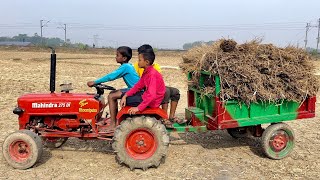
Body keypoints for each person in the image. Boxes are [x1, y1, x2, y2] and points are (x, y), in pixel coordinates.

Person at [120, 46, 173, 128]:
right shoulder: (147, 72)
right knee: (126, 98)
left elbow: (151, 95)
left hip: (153, 101)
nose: (138, 62)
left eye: (140, 60)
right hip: (147, 97)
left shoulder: (152, 74)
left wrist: (138, 108)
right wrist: (126, 95)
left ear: (147, 62)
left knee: (127, 101)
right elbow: (138, 86)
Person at [87, 46, 139, 129]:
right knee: (113, 93)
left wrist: (95, 82)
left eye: (117, 55)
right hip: (135, 90)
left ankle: (113, 124)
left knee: (111, 96)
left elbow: (111, 76)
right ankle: (113, 120)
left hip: (136, 91)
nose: (116, 57)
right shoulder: (128, 66)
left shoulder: (126, 67)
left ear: (124, 58)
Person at [133, 44, 185, 124]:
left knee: (175, 91)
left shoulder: (155, 66)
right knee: (166, 91)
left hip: (154, 86)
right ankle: (164, 118)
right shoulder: (138, 65)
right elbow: (138, 80)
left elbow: (159, 79)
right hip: (146, 88)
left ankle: (171, 116)